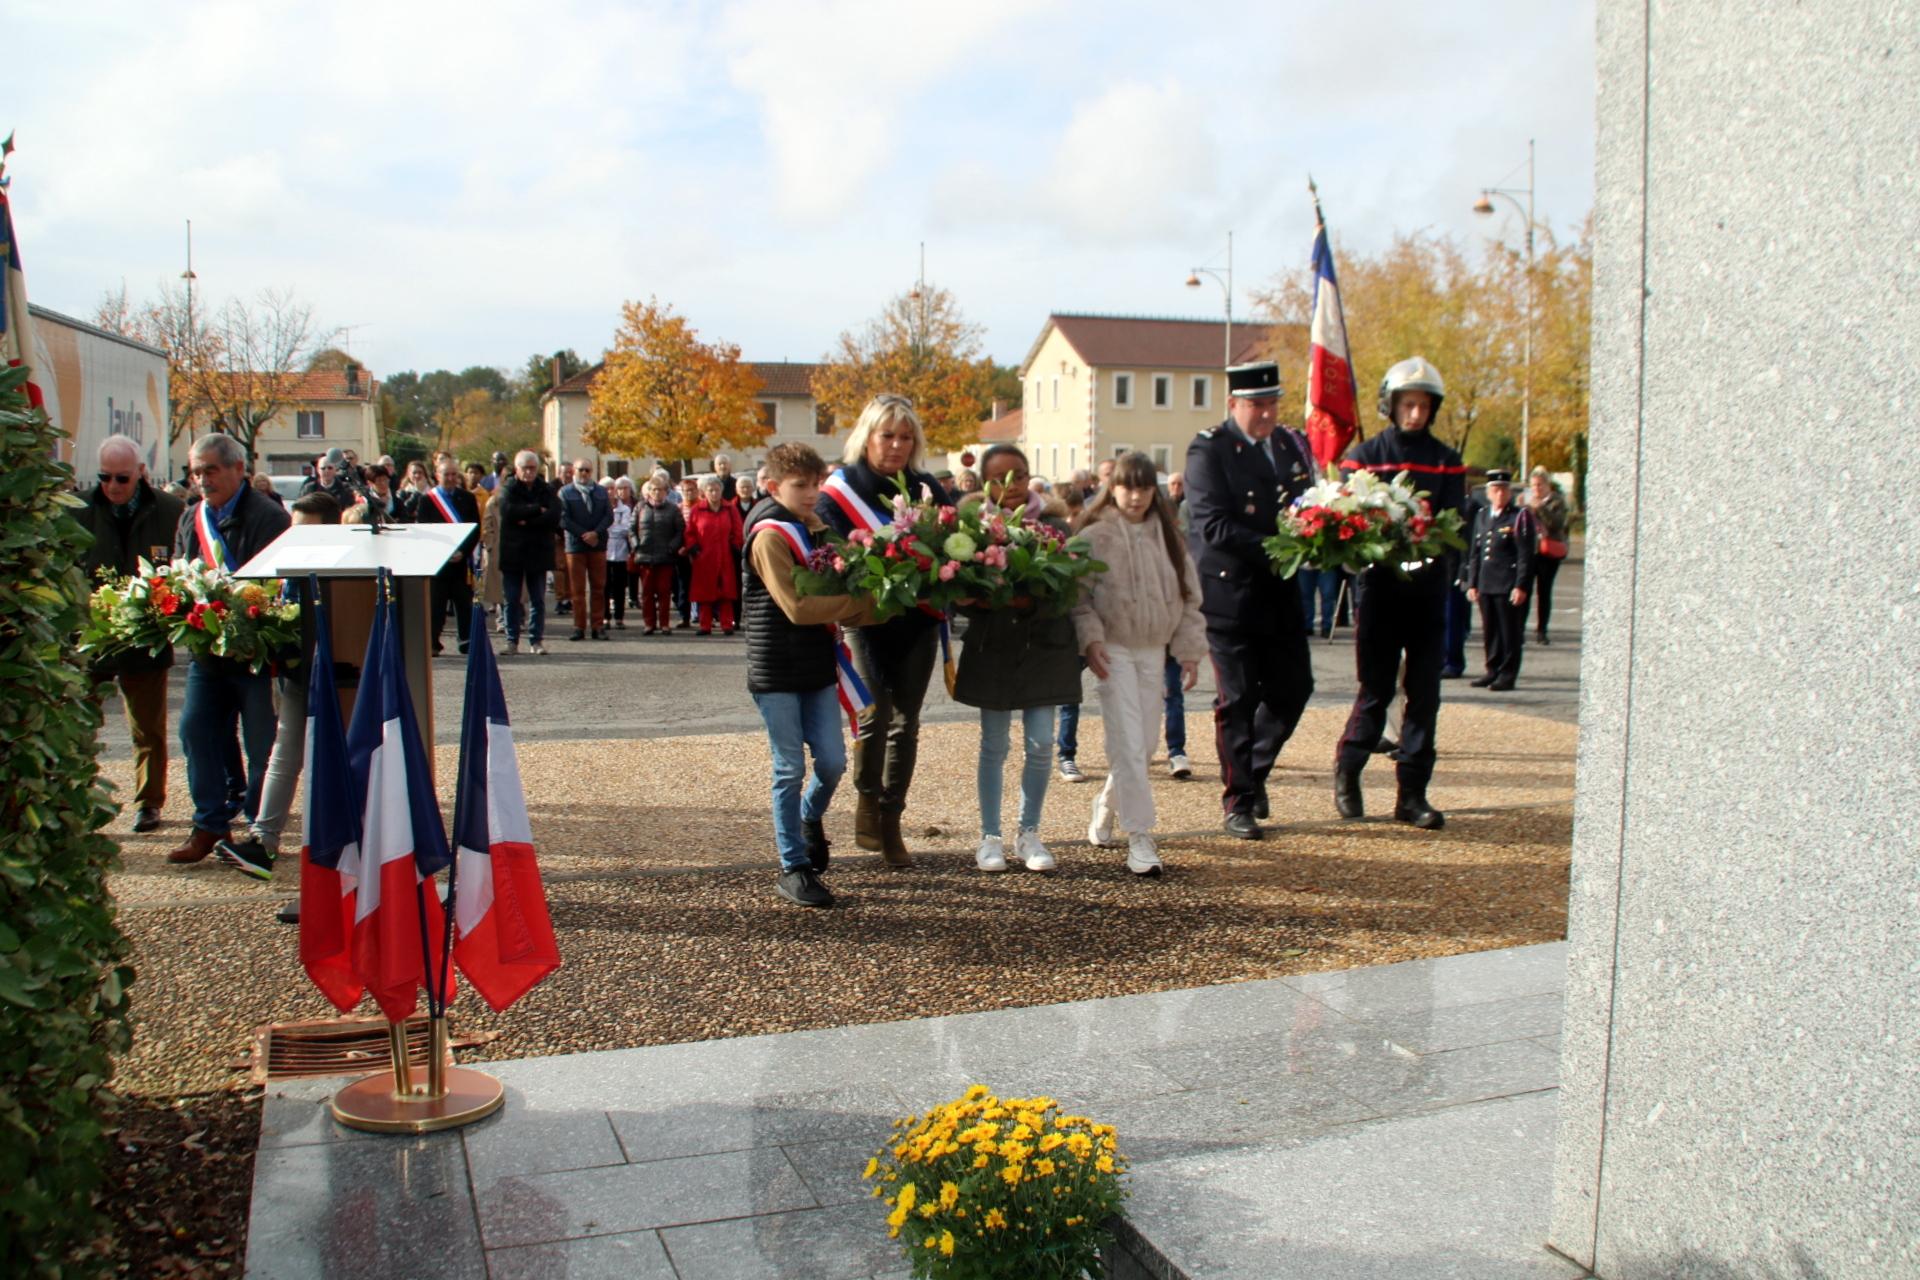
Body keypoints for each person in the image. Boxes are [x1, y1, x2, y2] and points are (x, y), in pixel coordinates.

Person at [1331, 356, 1468, 830]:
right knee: (1376, 691)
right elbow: (1351, 516)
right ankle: (1348, 770)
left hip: (1428, 593)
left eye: (1424, 405)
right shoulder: (1365, 457)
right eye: (1407, 404)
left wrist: (1427, 539)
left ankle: (1412, 794)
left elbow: (1455, 523)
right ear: (1391, 405)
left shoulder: (1448, 462)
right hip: (1380, 590)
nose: (1415, 414)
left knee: (1425, 694)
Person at [815, 394, 952, 867]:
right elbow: (833, 553)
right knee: (874, 716)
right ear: (868, 436)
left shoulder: (927, 486)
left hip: (917, 621)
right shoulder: (841, 489)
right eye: (887, 434)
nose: (896, 444)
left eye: (906, 436)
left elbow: (955, 548)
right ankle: (867, 799)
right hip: (867, 620)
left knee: (906, 723)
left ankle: (891, 819)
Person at [1184, 360, 1317, 840]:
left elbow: (1308, 505)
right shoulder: (1209, 449)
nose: (1266, 414)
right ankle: (1238, 800)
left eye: (1272, 404)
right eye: (1255, 405)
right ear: (1233, 404)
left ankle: (1255, 770)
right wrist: (1282, 548)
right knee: (1238, 700)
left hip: (1281, 592)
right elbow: (1212, 525)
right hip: (1231, 594)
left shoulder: (1287, 445)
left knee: (1294, 689)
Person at [741, 443, 875, 908]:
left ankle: (806, 817)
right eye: (801, 485)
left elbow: (849, 578)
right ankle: (792, 867)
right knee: (789, 767)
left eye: (817, 483)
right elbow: (797, 608)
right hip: (776, 666)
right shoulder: (769, 535)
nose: (812, 493)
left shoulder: (818, 529)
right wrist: (861, 607)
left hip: (817, 666)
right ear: (773, 486)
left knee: (834, 762)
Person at [1071, 452, 1207, 876]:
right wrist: (1091, 639)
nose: (1136, 496)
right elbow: (1078, 598)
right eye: (1128, 486)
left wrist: (1188, 649)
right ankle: (1140, 834)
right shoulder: (1094, 536)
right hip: (1114, 648)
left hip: (1154, 649)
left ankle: (1108, 801)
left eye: (1145, 487)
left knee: (1145, 745)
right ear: (1113, 488)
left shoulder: (1168, 537)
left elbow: (1190, 596)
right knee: (1127, 744)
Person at [954, 444, 1079, 874]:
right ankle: (990, 837)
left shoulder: (1055, 525)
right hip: (994, 649)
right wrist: (975, 601)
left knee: (1042, 743)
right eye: (999, 478)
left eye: (1019, 475)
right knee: (994, 744)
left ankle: (1029, 832)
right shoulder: (971, 529)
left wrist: (1031, 601)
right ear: (985, 484)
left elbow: (1072, 589)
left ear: (1029, 478)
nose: (1010, 486)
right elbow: (955, 590)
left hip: (1044, 646)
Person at [168, 433, 292, 864]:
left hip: (253, 655)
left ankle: (258, 831)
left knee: (261, 747)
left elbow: (275, 582)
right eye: (196, 472)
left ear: (238, 469)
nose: (202, 480)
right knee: (195, 730)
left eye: (210, 470)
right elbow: (181, 574)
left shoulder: (268, 516)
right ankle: (209, 824)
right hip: (208, 653)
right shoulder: (192, 518)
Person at [213, 490, 342, 889]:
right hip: (297, 672)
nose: (296, 538)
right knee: (283, 754)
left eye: (306, 531)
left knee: (324, 761)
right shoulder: (291, 565)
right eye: (294, 529)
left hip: (336, 676)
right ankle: (262, 842)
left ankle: (336, 850)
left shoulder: (344, 570)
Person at [78, 436, 185, 834]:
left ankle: (149, 802)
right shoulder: (80, 513)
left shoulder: (170, 511)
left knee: (148, 729)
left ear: (140, 472)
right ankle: (81, 795)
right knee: (82, 724)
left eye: (121, 478)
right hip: (92, 638)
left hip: (145, 638)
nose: (112, 486)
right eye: (104, 477)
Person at [1467, 470, 1534, 690]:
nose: (1500, 494)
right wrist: (1472, 582)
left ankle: (1507, 673)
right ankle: (1492, 669)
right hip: (1487, 581)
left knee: (1509, 631)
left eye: (1504, 490)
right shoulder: (1483, 515)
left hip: (1507, 581)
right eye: (1496, 490)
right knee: (1490, 630)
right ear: (1488, 493)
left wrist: (1521, 585)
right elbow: (1476, 551)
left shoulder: (1519, 517)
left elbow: (1525, 554)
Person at [414, 457, 481, 655]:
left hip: (461, 562)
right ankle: (433, 642)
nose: (451, 478)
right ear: (437, 476)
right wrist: (442, 553)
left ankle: (466, 641)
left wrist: (464, 552)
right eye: (446, 474)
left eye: (454, 474)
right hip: (438, 563)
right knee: (436, 604)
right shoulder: (427, 500)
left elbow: (475, 529)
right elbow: (424, 532)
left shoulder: (467, 498)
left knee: (464, 603)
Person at [498, 449, 562, 655]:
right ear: (517, 469)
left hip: (538, 551)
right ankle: (511, 641)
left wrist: (526, 518)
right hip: (513, 551)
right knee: (512, 599)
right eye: (525, 468)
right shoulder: (509, 488)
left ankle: (536, 640)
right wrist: (537, 510)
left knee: (538, 600)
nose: (528, 472)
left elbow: (553, 515)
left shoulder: (545, 488)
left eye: (532, 468)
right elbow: (508, 512)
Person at [559, 457, 613, 642]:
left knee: (598, 587)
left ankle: (598, 626)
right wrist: (584, 534)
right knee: (577, 590)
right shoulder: (565, 492)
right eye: (580, 470)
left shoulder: (601, 492)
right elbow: (563, 519)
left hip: (597, 545)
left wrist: (595, 533)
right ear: (574, 471)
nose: (584, 474)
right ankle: (578, 626)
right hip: (575, 546)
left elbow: (608, 516)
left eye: (587, 470)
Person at [684, 476, 743, 634]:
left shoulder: (730, 508)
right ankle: (705, 625)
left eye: (717, 490)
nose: (714, 493)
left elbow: (738, 530)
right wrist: (694, 548)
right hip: (704, 557)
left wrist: (735, 545)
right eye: (711, 490)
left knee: (726, 592)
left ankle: (727, 624)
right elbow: (690, 532)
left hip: (725, 556)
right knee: (704, 592)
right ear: (704, 492)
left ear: (721, 491)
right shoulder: (697, 510)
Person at [1524, 466, 1571, 644]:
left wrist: (1540, 508)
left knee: (1544, 591)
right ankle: (1519, 629)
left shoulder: (1557, 501)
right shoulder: (1525, 500)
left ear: (1548, 485)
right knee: (1524, 589)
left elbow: (1557, 524)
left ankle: (1542, 630)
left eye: (1540, 485)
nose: (1536, 489)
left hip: (1549, 551)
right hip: (1529, 550)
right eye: (1534, 485)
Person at [631, 475, 683, 634]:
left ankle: (664, 624)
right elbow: (631, 529)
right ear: (649, 491)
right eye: (654, 489)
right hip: (645, 556)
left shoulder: (673, 509)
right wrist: (636, 545)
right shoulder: (640, 507)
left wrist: (672, 547)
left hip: (665, 557)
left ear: (666, 492)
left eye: (661, 490)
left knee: (664, 592)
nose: (657, 492)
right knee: (646, 593)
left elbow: (680, 531)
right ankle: (649, 624)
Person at [604, 476, 636, 630]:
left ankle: (619, 617)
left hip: (621, 552)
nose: (610, 491)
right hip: (604, 551)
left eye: (612, 488)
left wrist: (610, 529)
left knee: (620, 586)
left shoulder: (625, 509)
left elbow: (625, 529)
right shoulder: (601, 507)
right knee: (604, 585)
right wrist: (610, 530)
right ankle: (604, 616)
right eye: (607, 488)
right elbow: (603, 528)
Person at [674, 474, 701, 625]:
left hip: (698, 550)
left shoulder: (702, 507)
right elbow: (677, 530)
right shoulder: (677, 509)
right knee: (684, 585)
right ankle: (684, 617)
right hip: (682, 552)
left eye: (691, 490)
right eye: (685, 491)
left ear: (697, 491)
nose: (689, 493)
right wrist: (681, 547)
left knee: (701, 584)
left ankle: (703, 616)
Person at [550, 460, 575, 617]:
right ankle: (560, 598)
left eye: (570, 472)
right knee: (559, 568)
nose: (568, 475)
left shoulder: (576, 488)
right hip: (557, 533)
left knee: (571, 568)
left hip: (572, 532)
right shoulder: (552, 489)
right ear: (559, 473)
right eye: (565, 472)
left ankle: (569, 597)